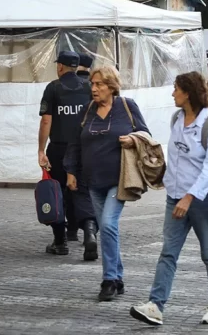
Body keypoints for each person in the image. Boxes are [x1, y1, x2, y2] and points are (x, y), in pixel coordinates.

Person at [130, 72, 208, 326]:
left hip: (202, 201)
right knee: (168, 253)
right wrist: (165, 179)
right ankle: (155, 305)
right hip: (175, 198)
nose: (172, 93)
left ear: (188, 92)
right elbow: (175, 156)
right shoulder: (177, 118)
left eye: (176, 89)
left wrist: (189, 197)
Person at [64, 65, 150, 301]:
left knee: (109, 226)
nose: (94, 88)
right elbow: (75, 143)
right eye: (92, 84)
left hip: (118, 180)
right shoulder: (87, 110)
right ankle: (118, 278)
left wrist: (132, 139)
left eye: (99, 84)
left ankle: (109, 280)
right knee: (107, 230)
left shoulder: (127, 106)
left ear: (111, 86)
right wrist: (71, 170)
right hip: (92, 182)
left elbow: (145, 134)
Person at [38, 51, 98, 260]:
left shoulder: (53, 88)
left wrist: (40, 149)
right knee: (83, 191)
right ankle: (90, 232)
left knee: (57, 192)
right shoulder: (90, 88)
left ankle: (60, 241)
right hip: (85, 149)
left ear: (61, 67)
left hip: (59, 149)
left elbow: (46, 121)